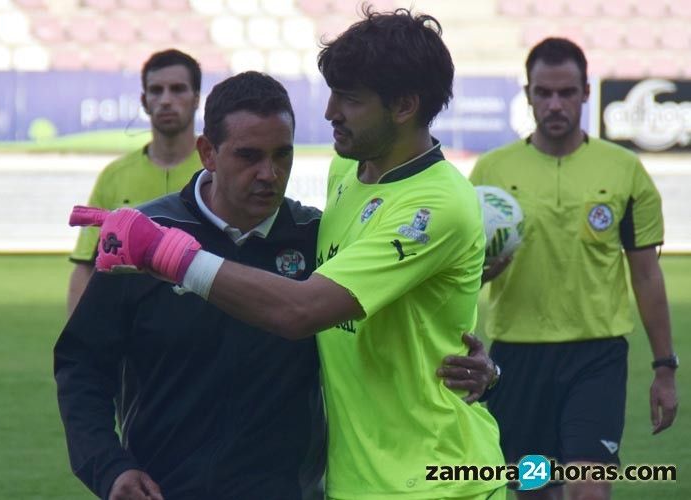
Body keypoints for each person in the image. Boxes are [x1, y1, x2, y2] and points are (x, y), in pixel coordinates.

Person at [72, 8, 506, 499]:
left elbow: (302, 309)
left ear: (404, 106)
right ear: (208, 154)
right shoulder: (349, 175)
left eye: (349, 99)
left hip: (435, 478)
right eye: (332, 93)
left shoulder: (437, 204)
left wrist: (167, 255)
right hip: (357, 481)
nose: (329, 113)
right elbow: (419, 311)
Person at [470, 38, 678, 500]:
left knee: (588, 490)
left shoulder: (625, 170)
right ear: (528, 94)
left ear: (587, 92)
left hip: (596, 354)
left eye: (566, 92)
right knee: (534, 491)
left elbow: (646, 275)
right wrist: (483, 272)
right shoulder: (490, 172)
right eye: (544, 93)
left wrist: (665, 368)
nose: (555, 104)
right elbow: (463, 273)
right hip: (516, 357)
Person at [67, 48, 203, 316]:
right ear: (144, 100)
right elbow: (84, 264)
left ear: (197, 99)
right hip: (128, 331)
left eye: (178, 89)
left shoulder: (216, 172)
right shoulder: (114, 175)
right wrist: (75, 342)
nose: (166, 100)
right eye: (156, 90)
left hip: (203, 330)